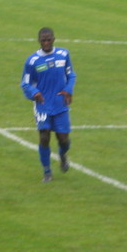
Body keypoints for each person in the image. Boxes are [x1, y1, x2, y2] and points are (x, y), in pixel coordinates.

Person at [21, 27, 76, 183]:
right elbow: (25, 83)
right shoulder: (32, 61)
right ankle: (47, 172)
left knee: (63, 139)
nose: (46, 42)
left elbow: (71, 74)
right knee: (44, 137)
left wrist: (68, 90)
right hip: (43, 104)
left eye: (48, 39)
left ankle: (63, 154)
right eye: (43, 40)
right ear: (39, 41)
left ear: (54, 39)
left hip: (60, 103)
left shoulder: (63, 54)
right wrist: (34, 93)